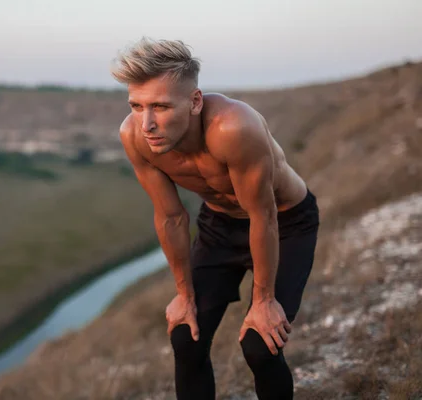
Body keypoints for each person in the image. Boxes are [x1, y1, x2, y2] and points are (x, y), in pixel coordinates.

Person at [110, 37, 320, 400]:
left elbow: (263, 215)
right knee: (185, 336)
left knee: (260, 344)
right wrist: (183, 295)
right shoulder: (135, 136)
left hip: (284, 224)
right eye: (136, 106)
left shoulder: (233, 128)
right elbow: (171, 216)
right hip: (219, 225)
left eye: (159, 107)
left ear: (194, 102)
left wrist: (264, 300)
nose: (146, 123)